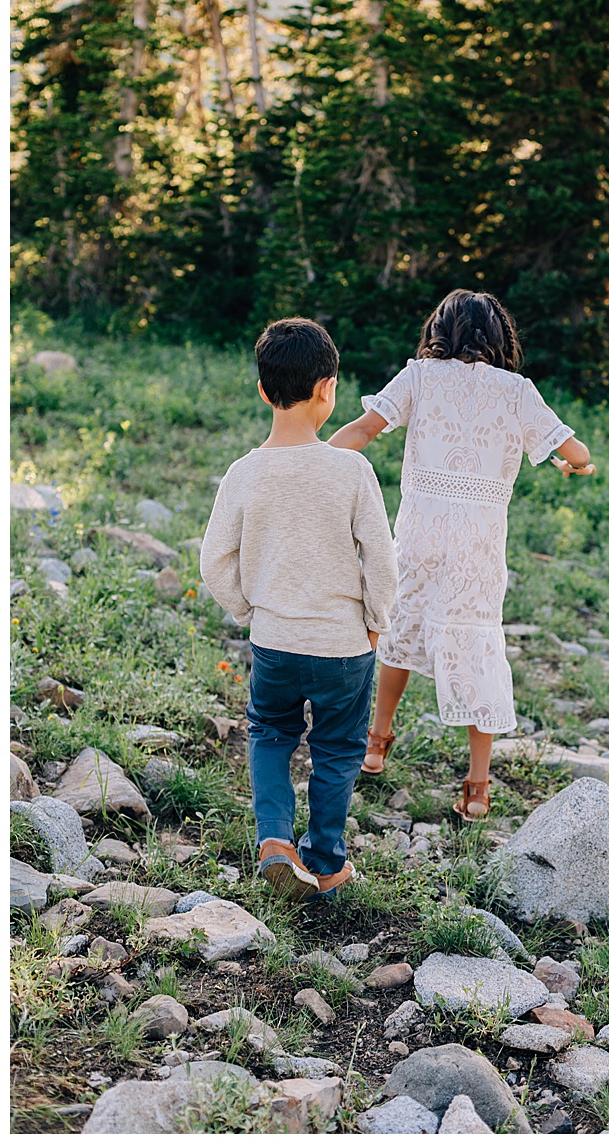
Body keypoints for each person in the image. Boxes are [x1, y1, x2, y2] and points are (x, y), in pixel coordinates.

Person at [328, 289, 595, 822]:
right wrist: (570, 465)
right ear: (499, 338)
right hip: (478, 547)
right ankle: (477, 787)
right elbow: (578, 452)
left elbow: (364, 428)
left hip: (422, 534)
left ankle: (377, 744)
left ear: (440, 331)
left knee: (400, 631)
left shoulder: (420, 377)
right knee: (477, 649)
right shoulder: (517, 391)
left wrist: (310, 458)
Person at [201, 318, 398, 900]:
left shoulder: (244, 473)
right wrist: (375, 623)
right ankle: (327, 859)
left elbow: (215, 560)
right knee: (338, 748)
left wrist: (248, 610)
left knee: (269, 732)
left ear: (263, 391)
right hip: (343, 647)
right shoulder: (352, 470)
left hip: (275, 641)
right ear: (328, 390)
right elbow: (381, 561)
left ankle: (275, 843)